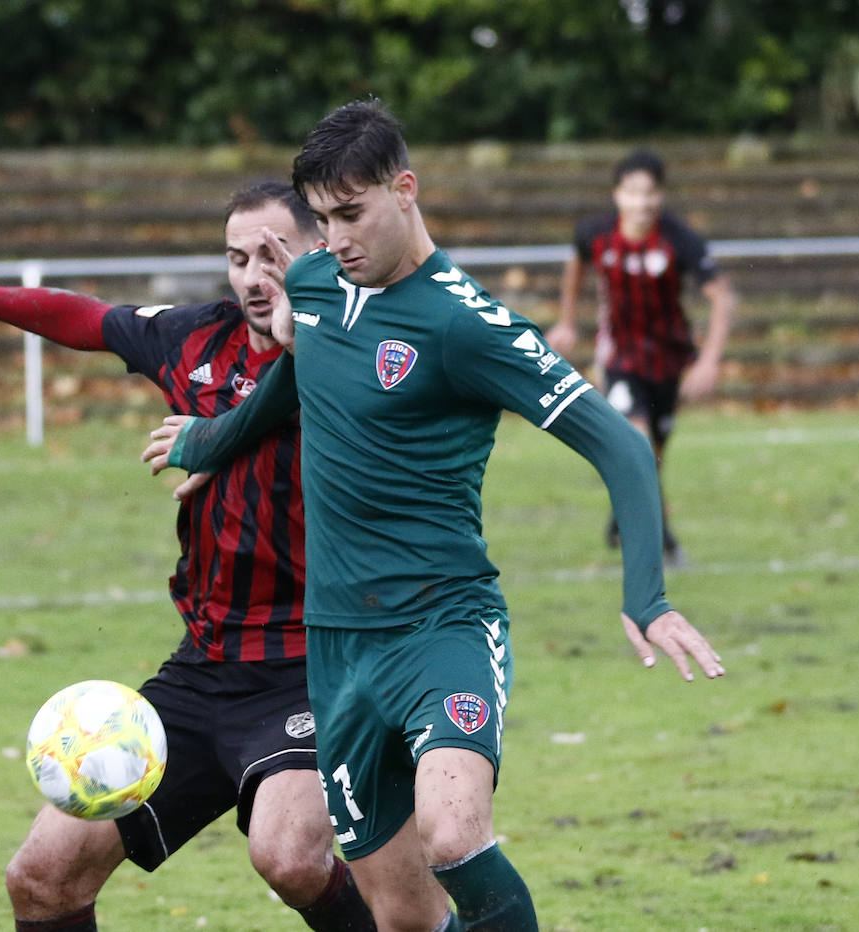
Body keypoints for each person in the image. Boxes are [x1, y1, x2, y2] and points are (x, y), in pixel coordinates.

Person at [143, 101, 725, 932]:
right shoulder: (313, 283)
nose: (336, 240)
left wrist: (648, 596)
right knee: (402, 911)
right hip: (337, 646)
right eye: (323, 221)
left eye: (352, 215)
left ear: (405, 189)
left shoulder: (465, 324)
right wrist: (214, 438)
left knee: (454, 834)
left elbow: (622, 447)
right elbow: (294, 377)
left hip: (441, 627)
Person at [0, 181, 377, 932]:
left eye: (274, 255)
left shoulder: (355, 357)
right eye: (237, 258)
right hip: (203, 670)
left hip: (310, 668)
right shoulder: (196, 339)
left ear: (318, 253)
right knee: (41, 878)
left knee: (290, 857)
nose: (254, 277)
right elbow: (85, 319)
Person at [545, 148, 736, 567]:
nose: (642, 202)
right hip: (620, 358)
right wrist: (567, 321)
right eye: (633, 192)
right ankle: (662, 542)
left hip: (668, 360)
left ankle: (619, 518)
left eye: (650, 193)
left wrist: (708, 362)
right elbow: (575, 262)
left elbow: (721, 296)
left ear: (660, 196)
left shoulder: (679, 239)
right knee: (639, 446)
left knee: (653, 454)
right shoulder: (595, 235)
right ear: (617, 195)